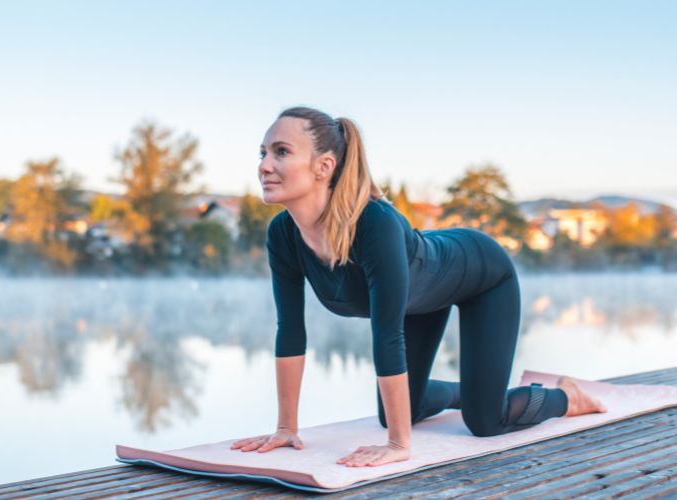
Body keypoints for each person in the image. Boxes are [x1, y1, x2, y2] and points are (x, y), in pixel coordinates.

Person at [230, 106, 607, 468]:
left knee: (486, 422)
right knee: (393, 414)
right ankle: (472, 391)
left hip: (483, 274)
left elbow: (387, 336)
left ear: (323, 166)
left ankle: (566, 396)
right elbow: (291, 331)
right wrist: (285, 429)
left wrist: (398, 445)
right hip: (422, 296)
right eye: (262, 152)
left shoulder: (373, 223)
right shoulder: (283, 234)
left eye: (281, 152)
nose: (264, 165)